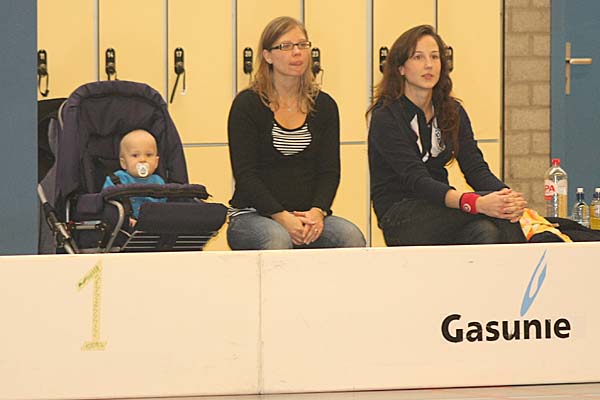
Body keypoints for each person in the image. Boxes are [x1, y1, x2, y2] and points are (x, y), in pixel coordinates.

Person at [368, 25, 527, 246]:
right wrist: (475, 202)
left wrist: (506, 197)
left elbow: (475, 168)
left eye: (435, 57)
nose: (429, 65)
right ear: (401, 68)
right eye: (418, 57)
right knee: (494, 214)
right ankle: (530, 265)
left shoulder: (452, 110)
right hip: (401, 214)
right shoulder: (385, 117)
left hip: (443, 207)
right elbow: (417, 180)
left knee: (487, 229)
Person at [226, 16, 366, 250]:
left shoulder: (324, 105)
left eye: (302, 45)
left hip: (307, 216)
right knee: (277, 239)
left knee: (350, 237)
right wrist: (281, 217)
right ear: (267, 56)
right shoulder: (247, 105)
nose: (297, 52)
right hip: (253, 215)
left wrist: (318, 212)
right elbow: (246, 174)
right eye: (286, 46)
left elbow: (329, 171)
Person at [103, 129, 166, 223]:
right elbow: (108, 205)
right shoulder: (117, 179)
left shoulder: (159, 181)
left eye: (149, 155)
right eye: (135, 155)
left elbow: (163, 207)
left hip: (153, 223)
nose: (143, 159)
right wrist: (125, 219)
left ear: (156, 162)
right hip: (125, 223)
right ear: (123, 163)